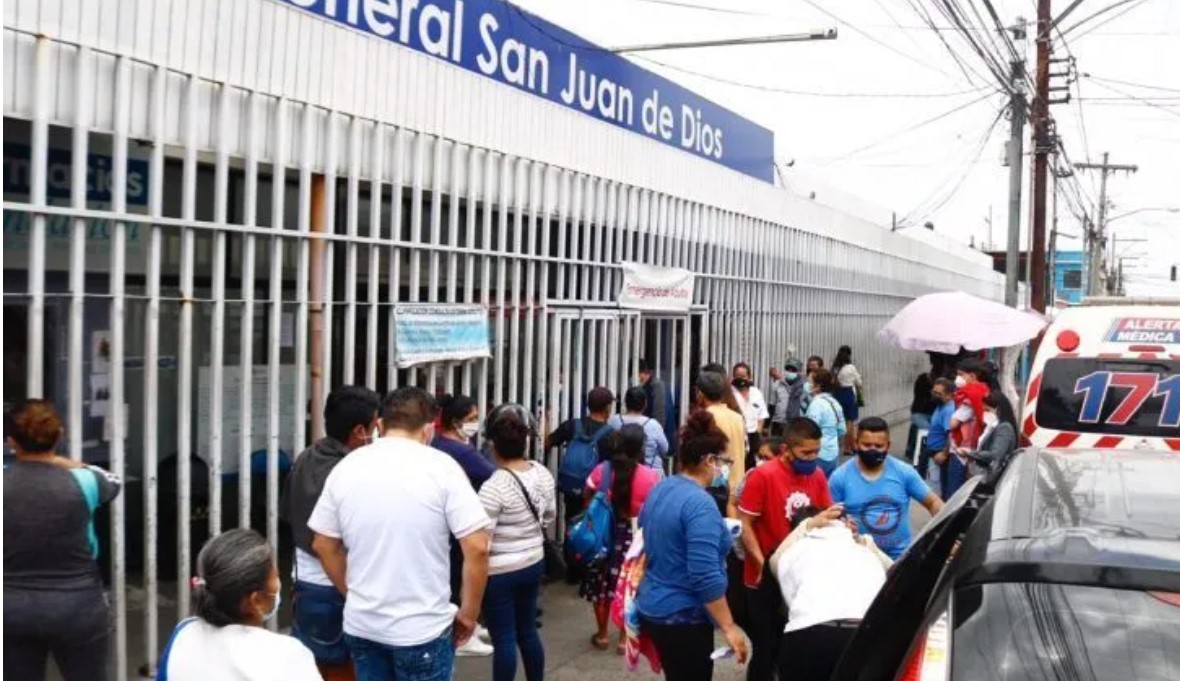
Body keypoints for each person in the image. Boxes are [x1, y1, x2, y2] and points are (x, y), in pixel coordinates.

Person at [309, 387, 492, 681]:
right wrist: (469, 614)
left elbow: (322, 543)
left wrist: (352, 592)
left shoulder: (347, 466)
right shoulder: (442, 468)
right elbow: (478, 547)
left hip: (363, 626)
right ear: (430, 427)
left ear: (380, 424)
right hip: (422, 630)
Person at [4, 400, 122, 681]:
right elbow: (113, 482)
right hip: (78, 606)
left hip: (11, 606)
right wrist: (60, 461)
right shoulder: (86, 481)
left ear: (10, 442)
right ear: (60, 436)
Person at [637, 410, 749, 681]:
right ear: (709, 460)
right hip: (683, 615)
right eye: (725, 461)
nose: (726, 468)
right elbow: (704, 574)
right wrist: (729, 626)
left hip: (654, 605)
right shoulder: (700, 503)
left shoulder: (663, 488)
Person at [283, 386, 382, 678]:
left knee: (313, 667)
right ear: (358, 431)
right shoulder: (352, 472)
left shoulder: (306, 457)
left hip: (305, 582)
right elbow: (334, 543)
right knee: (341, 667)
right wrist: (353, 593)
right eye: (376, 426)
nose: (378, 433)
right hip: (338, 584)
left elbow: (288, 513)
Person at [737, 417, 834, 681]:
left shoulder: (816, 475)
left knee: (792, 647)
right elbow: (745, 524)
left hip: (802, 577)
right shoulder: (763, 475)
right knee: (766, 649)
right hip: (765, 577)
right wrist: (760, 562)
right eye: (806, 453)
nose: (812, 458)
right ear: (787, 449)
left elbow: (826, 515)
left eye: (816, 451)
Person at [162, 529, 321, 680]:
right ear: (256, 601)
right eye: (276, 576)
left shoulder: (183, 633)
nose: (279, 584)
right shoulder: (289, 656)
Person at [769, 506, 893, 681]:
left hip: (811, 634)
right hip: (869, 634)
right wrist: (863, 541)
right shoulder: (866, 552)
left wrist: (805, 527)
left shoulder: (795, 550)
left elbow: (776, 564)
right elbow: (895, 570)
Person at [477, 407, 556, 681]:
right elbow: (549, 515)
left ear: (494, 446)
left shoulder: (493, 487)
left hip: (500, 573)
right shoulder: (542, 473)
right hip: (533, 562)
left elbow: (481, 541)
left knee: (505, 639)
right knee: (528, 632)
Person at [580, 425, 661, 651]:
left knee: (601, 586)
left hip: (603, 535)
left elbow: (586, 495)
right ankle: (625, 637)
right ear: (640, 447)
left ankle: (603, 634)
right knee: (629, 587)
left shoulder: (601, 471)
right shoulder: (651, 477)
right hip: (633, 538)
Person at [432, 394, 497, 657]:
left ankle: (466, 626)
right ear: (455, 421)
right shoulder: (460, 450)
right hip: (459, 524)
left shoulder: (440, 443)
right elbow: (492, 474)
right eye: (471, 419)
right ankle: (462, 634)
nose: (475, 423)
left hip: (446, 521)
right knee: (460, 576)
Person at [828, 417, 944, 560]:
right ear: (857, 444)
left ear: (888, 446)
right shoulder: (839, 477)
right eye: (867, 444)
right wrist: (842, 525)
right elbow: (829, 517)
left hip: (899, 558)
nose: (873, 450)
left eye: (878, 446)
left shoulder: (904, 472)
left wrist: (944, 532)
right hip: (859, 558)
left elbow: (934, 503)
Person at [546, 386, 616, 581]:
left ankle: (573, 572)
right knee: (593, 525)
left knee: (572, 523)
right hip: (595, 490)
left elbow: (548, 441)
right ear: (607, 408)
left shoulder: (572, 426)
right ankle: (590, 569)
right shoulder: (610, 434)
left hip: (571, 485)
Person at [696, 370, 748, 518]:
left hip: (715, 489)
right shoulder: (737, 417)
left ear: (700, 393)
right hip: (736, 487)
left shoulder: (705, 417)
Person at [608, 386, 670, 473]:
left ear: (626, 402)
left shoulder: (615, 421)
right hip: (652, 474)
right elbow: (665, 450)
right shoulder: (653, 425)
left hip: (620, 473)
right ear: (645, 404)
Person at [960, 392, 1017, 474]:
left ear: (998, 409)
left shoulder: (1004, 427)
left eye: (987, 410)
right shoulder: (993, 425)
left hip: (994, 476)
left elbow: (995, 455)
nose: (985, 414)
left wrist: (970, 453)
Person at [804, 368, 846, 477]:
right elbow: (842, 430)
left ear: (817, 386)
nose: (807, 385)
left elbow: (809, 431)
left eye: (810, 382)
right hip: (833, 454)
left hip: (818, 455)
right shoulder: (835, 403)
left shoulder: (816, 404)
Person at [731, 362, 770, 470]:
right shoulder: (730, 393)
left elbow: (762, 414)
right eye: (737, 376)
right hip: (736, 434)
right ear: (733, 377)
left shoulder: (756, 392)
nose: (741, 379)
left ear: (749, 377)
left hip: (753, 435)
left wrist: (758, 431)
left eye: (743, 376)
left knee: (751, 465)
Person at [905, 355, 941, 465]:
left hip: (930, 413)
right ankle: (916, 454)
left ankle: (912, 451)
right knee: (924, 430)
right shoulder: (922, 379)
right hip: (919, 412)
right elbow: (921, 397)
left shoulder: (939, 384)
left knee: (916, 430)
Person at [924, 378, 956, 498]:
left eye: (939, 394)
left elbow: (951, 434)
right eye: (933, 392)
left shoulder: (948, 410)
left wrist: (944, 454)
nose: (934, 396)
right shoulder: (940, 406)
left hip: (940, 456)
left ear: (949, 395)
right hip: (933, 454)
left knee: (938, 492)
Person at [638, 359, 677, 454]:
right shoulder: (649, 386)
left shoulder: (656, 387)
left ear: (642, 373)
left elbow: (659, 419)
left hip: (660, 443)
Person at [831, 345, 863, 455]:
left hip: (837, 394)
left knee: (840, 420)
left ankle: (846, 446)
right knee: (850, 421)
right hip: (848, 394)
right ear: (849, 355)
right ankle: (847, 447)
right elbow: (859, 383)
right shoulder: (851, 367)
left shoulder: (835, 368)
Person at [768, 358, 807, 436]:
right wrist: (766, 425)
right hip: (778, 422)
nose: (790, 371)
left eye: (793, 369)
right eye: (788, 368)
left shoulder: (804, 386)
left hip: (795, 424)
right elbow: (772, 405)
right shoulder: (777, 384)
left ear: (799, 371)